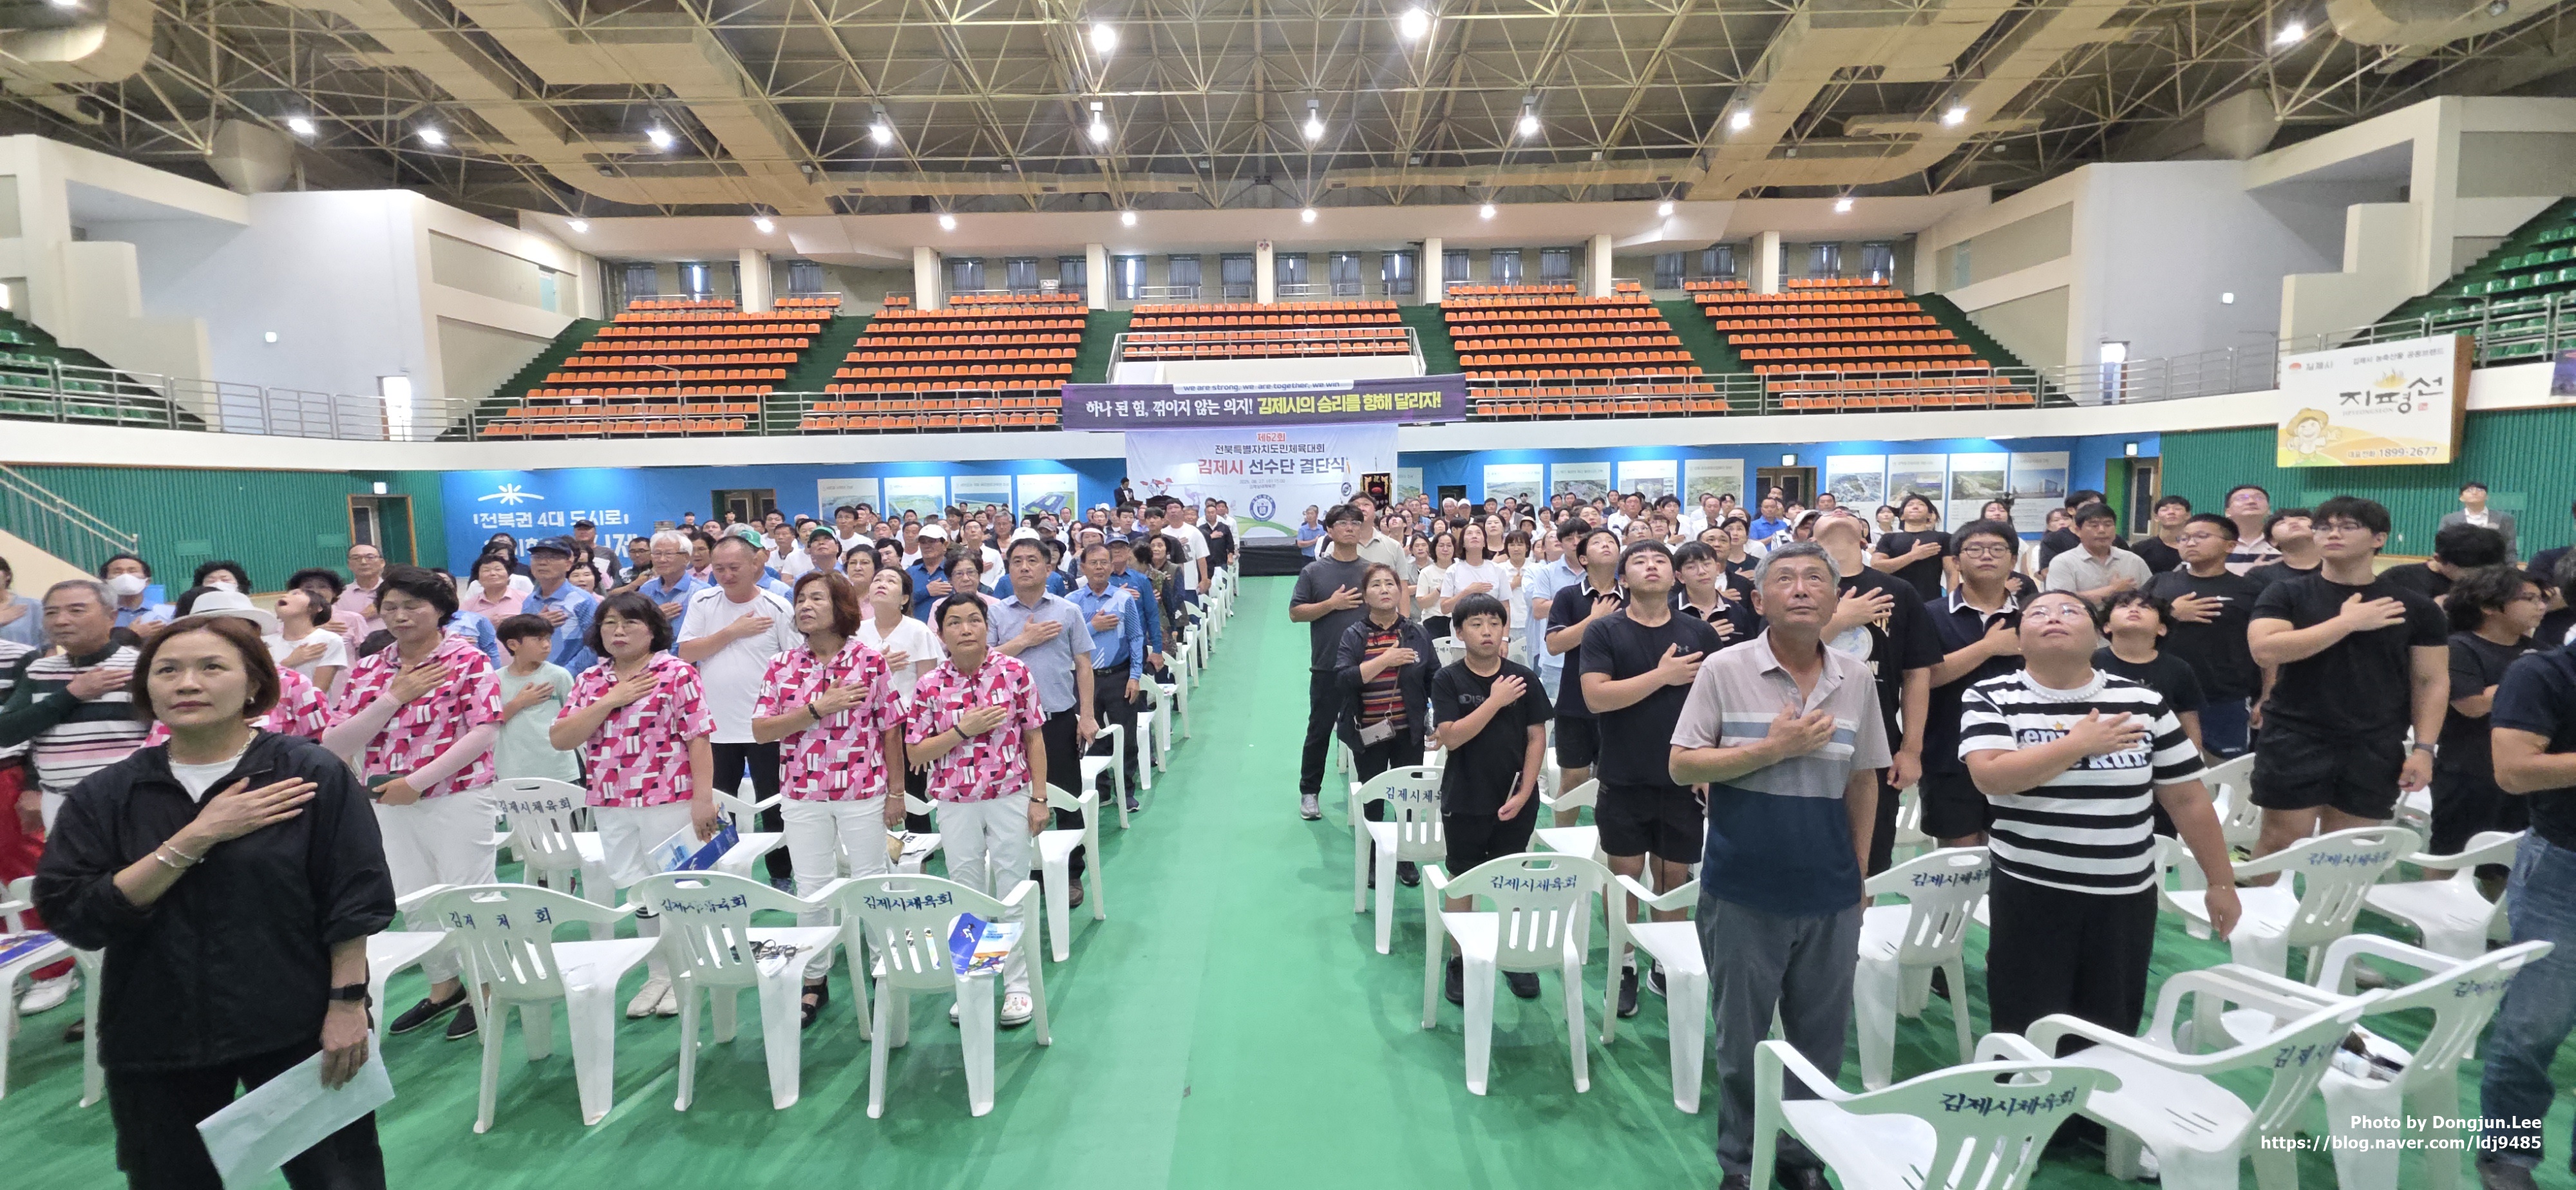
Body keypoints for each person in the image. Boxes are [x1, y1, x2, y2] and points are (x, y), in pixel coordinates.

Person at [33, 614, 394, 1190]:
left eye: (211, 667)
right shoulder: (111, 793)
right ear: (147, 688)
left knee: (336, 1177)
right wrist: (197, 836)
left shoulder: (306, 773)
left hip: (297, 1023)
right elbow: (73, 912)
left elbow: (353, 894)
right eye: (167, 671)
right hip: (156, 1029)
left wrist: (348, 1005)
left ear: (254, 684)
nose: (187, 683)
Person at [1667, 541, 1888, 1190]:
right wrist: (1771, 749)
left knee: (1820, 1040)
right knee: (1742, 1042)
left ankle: (1800, 1157)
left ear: (1835, 600)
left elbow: (1864, 779)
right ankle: (1742, 1159)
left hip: (1830, 891)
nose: (1801, 588)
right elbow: (1681, 764)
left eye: (1816, 579)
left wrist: (1858, 873)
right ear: (1759, 600)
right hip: (1743, 888)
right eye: (1784, 578)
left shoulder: (1857, 678)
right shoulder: (1724, 669)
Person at [1958, 590, 2240, 1050]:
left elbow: (2187, 797)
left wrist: (2221, 881)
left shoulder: (2142, 701)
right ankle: (2026, 1097)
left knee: (2108, 1026)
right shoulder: (1991, 696)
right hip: (2032, 890)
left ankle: (2094, 1099)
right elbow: (1991, 776)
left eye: (2071, 611)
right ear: (2019, 639)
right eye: (2038, 613)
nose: (2054, 617)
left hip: (2125, 894)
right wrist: (2078, 745)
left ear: (2098, 635)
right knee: (2028, 1024)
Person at [322, 565, 500, 1041]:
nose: (400, 616)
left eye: (412, 606)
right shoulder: (370, 668)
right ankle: (445, 986)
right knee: (413, 895)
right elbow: (335, 742)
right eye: (391, 607)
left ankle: (487, 988)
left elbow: (484, 731)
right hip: (386, 800)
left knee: (468, 892)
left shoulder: (467, 660)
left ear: (440, 610)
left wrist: (419, 782)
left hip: (457, 796)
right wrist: (392, 698)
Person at [2245, 496, 2448, 866]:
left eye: (2348, 526)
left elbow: (2430, 681)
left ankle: (2331, 908)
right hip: (2295, 734)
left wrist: (2424, 749)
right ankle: (2258, 905)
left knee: (2349, 850)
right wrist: (2346, 623)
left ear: (2379, 538)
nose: (2333, 534)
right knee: (2280, 841)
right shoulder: (2287, 592)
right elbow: (2266, 650)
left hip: (2375, 742)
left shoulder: (2415, 607)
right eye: (2324, 527)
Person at [548, 592, 718, 1021]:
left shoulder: (676, 673)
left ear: (652, 629)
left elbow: (699, 739)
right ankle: (658, 974)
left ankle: (686, 971)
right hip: (610, 800)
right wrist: (611, 699)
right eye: (609, 623)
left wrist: (703, 799)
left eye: (629, 623)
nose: (618, 632)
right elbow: (562, 738)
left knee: (673, 888)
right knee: (638, 889)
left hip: (669, 798)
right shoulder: (591, 680)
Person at [751, 571, 904, 1026]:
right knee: (812, 887)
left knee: (870, 880)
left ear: (841, 608)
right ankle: (814, 978)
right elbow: (762, 731)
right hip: (803, 793)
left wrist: (896, 792)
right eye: (800, 599)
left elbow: (891, 730)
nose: (804, 606)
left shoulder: (870, 661)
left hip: (863, 791)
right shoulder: (781, 665)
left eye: (816, 598)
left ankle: (883, 969)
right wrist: (817, 708)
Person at [1581, 541, 1724, 1018]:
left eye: (1661, 560)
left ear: (1675, 576)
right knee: (1624, 876)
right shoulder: (1604, 630)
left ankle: (1664, 959)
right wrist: (1662, 676)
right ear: (1623, 578)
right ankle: (1622, 964)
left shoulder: (1699, 632)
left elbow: (1719, 703)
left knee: (1674, 877)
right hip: (1623, 775)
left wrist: (1710, 765)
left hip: (1684, 779)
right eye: (1640, 561)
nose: (1651, 567)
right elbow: (1597, 697)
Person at [905, 593, 1046, 1028]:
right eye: (954, 622)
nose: (965, 629)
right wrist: (962, 730)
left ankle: (1018, 986)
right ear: (941, 634)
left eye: (973, 620)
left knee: (1012, 888)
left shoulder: (1014, 672)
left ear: (987, 627)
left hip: (1009, 796)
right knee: (965, 892)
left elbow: (1034, 738)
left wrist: (1039, 798)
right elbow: (916, 752)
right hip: (955, 802)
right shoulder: (930, 685)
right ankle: (974, 981)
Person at [2476, 611, 2576, 1190]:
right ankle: (2508, 1154)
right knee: (2535, 1025)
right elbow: (2514, 771)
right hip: (2565, 868)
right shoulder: (2545, 674)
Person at [1428, 590, 1551, 1004]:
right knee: (1462, 878)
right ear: (1459, 632)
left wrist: (1526, 792)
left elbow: (1536, 738)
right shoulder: (1448, 679)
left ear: (1504, 630)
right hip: (1465, 796)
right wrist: (1496, 701)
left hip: (1515, 799)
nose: (1487, 631)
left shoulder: (1524, 678)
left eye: (1495, 624)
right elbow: (1451, 737)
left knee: (1512, 878)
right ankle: (1459, 959)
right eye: (1476, 624)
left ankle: (1514, 957)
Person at [1813, 511, 1937, 874]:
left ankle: (1860, 914)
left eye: (1848, 515)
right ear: (1809, 540)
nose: (1838, 514)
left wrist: (1911, 750)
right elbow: (1779, 654)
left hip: (1875, 743)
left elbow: (1917, 675)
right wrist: (1840, 620)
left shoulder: (1899, 591)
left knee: (1868, 864)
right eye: (1828, 514)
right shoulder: (1796, 587)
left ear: (1864, 539)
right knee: (1805, 860)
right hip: (1806, 741)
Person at [677, 534, 802, 887]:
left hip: (766, 727)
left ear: (755, 565)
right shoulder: (703, 601)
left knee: (774, 805)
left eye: (734, 567)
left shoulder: (778, 606)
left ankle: (781, 874)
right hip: (715, 728)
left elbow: (795, 666)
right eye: (719, 569)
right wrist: (734, 631)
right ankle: (721, 872)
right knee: (717, 804)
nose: (727, 575)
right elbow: (687, 652)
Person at [2426, 565, 2544, 882]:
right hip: (2467, 771)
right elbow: (2472, 704)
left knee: (2507, 859)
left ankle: (2494, 913)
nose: (2540, 607)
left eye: (2541, 599)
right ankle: (2431, 910)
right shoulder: (2460, 647)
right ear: (2490, 607)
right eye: (2529, 599)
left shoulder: (2537, 652)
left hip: (2519, 771)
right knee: (2452, 854)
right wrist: (2529, 681)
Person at [990, 538, 1095, 892]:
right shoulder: (996, 614)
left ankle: (1070, 873)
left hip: (1058, 719)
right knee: (1017, 800)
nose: (1025, 567)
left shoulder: (1068, 611)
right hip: (1008, 727)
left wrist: (1086, 715)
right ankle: (1029, 871)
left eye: (1032, 560)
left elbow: (1084, 666)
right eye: (1017, 561)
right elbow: (985, 663)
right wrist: (1024, 641)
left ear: (1048, 568)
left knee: (1066, 797)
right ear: (1008, 569)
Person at [1919, 519, 2028, 847]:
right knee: (1958, 859)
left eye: (1997, 549)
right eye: (1975, 549)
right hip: (1947, 751)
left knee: (2016, 852)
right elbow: (1924, 679)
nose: (1987, 556)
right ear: (1956, 561)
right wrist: (1988, 647)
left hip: (2023, 752)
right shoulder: (1929, 614)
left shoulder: (2033, 617)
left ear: (2013, 560)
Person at [1336, 563, 1437, 887]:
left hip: (1409, 732)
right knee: (1374, 799)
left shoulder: (1416, 633)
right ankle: (1373, 858)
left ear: (1399, 591)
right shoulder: (1354, 635)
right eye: (1376, 585)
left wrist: (1439, 719)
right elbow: (1344, 679)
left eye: (1390, 584)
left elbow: (1434, 678)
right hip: (1369, 733)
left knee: (1409, 798)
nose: (1384, 589)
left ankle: (1406, 857)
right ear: (1366, 596)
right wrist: (1385, 660)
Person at [2143, 514, 2265, 758]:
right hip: (2161, 694)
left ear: (2230, 545)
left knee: (2224, 772)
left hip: (2226, 697)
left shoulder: (2250, 590)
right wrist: (2171, 613)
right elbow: (2125, 628)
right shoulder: (2160, 582)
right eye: (2184, 538)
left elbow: (2265, 649)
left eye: (2202, 536)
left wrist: (2267, 695)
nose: (2190, 543)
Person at [1291, 505, 1374, 821]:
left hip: (1368, 667)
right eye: (1343, 523)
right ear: (1330, 530)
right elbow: (1296, 613)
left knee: (1371, 732)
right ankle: (1309, 792)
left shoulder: (1372, 572)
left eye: (1355, 523)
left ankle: (1370, 794)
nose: (1350, 528)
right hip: (1327, 665)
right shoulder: (1314, 572)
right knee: (1320, 730)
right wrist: (1331, 604)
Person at [1543, 527, 1625, 826]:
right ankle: (1561, 844)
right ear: (1583, 559)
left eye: (1611, 542)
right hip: (1574, 703)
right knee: (1573, 781)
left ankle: (1608, 847)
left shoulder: (1633, 596)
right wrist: (1594, 619)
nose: (1606, 545)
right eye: (1597, 542)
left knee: (1614, 783)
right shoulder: (1568, 596)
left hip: (1621, 704)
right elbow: (1554, 644)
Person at [1068, 544, 1147, 812]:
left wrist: (1135, 676)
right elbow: (1068, 640)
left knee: (1126, 736)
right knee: (1091, 735)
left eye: (1104, 562)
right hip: (1085, 677)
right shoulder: (1072, 602)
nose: (1099, 567)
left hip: (1119, 676)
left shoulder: (1123, 599)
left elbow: (1136, 637)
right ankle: (1100, 791)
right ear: (1083, 567)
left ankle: (1127, 791)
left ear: (1112, 566)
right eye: (1093, 563)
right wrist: (1093, 627)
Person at [2094, 590, 2208, 768]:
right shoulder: (2089, 663)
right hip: (2101, 758)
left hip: (2161, 758)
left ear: (2161, 628)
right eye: (2124, 606)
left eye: (2145, 607)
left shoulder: (2178, 668)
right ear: (2107, 626)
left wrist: (2190, 762)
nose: (2134, 610)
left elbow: (2189, 722)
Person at [490, 614, 578, 787]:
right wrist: (519, 702)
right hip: (512, 770)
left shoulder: (559, 675)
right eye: (538, 639)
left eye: (548, 638)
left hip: (558, 769)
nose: (546, 645)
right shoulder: (495, 680)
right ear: (513, 645)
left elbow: (575, 716)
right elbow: (489, 725)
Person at [520, 536, 601, 674]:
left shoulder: (583, 600)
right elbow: (520, 643)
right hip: (534, 677)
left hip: (573, 679)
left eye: (552, 557)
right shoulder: (530, 601)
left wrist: (564, 675)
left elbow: (595, 645)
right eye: (537, 557)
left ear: (568, 564)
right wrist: (535, 625)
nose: (543, 562)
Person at [2045, 502, 2152, 601]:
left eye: (2108, 525)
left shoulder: (2133, 560)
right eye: (2094, 526)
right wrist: (2113, 590)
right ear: (2078, 531)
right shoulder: (2063, 562)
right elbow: (2060, 601)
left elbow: (2151, 598)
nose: (2102, 530)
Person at [2382, 522, 2509, 602]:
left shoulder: (2498, 581)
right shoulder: (2400, 579)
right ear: (2439, 559)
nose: (2481, 578)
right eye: (2471, 572)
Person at [1674, 540, 1759, 647]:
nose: (1702, 571)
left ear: (1717, 569)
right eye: (1691, 567)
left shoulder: (1737, 611)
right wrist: (1703, 636)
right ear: (1680, 577)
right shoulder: (1670, 612)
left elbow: (1750, 650)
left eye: (1707, 564)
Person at [1869, 493, 1951, 601]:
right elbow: (1877, 566)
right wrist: (1913, 556)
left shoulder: (1943, 537)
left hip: (1931, 602)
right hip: (1895, 602)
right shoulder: (1889, 538)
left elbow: (1952, 573)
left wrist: (1951, 603)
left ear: (1930, 515)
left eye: (1921, 504)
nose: (1915, 507)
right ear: (1902, 516)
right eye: (1910, 505)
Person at [636, 529, 709, 638]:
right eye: (657, 554)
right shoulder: (646, 589)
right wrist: (655, 618)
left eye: (669, 554)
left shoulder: (702, 592)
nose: (662, 560)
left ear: (686, 558)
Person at [2244, 507, 2322, 589]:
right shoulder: (2258, 576)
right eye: (2282, 523)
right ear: (2273, 540)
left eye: (2301, 519)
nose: (2293, 522)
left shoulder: (2332, 568)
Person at [99, 553, 175, 638]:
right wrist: (131, 634)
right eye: (118, 572)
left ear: (147, 582)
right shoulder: (98, 616)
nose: (125, 576)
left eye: (132, 571)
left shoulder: (170, 613)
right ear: (105, 582)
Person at [2441, 479, 2517, 560]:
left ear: (2487, 496)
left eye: (2480, 490)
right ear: (2461, 498)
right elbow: (2442, 547)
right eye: (2469, 490)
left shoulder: (2504, 518)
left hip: (2494, 565)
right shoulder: (2449, 520)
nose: (2475, 493)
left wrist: (2511, 566)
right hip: (2460, 564)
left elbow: (2510, 547)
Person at [2221, 484, 2281, 574]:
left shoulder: (2282, 543)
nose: (2251, 501)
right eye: (2242, 498)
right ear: (2228, 512)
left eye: (2259, 498)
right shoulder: (2217, 543)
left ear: (2269, 509)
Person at [334, 543, 388, 638]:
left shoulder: (395, 591)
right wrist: (361, 616)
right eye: (356, 558)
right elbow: (334, 626)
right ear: (349, 565)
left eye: (370, 557)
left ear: (382, 563)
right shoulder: (339, 595)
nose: (363, 562)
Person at [2131, 495, 2191, 574]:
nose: (2171, 512)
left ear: (2188, 515)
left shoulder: (2195, 547)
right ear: (2156, 517)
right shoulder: (2140, 549)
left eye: (2177, 509)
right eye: (2165, 510)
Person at [1416, 533, 1458, 641]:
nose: (1445, 549)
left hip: (1457, 619)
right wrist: (1440, 589)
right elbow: (1422, 604)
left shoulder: (1461, 570)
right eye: (1441, 545)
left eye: (1449, 545)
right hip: (1433, 620)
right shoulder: (1426, 572)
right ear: (1434, 548)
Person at [460, 554, 524, 619]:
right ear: (478, 578)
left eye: (498, 569)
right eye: (486, 570)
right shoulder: (469, 606)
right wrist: (486, 623)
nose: (493, 573)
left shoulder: (525, 599)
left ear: (508, 575)